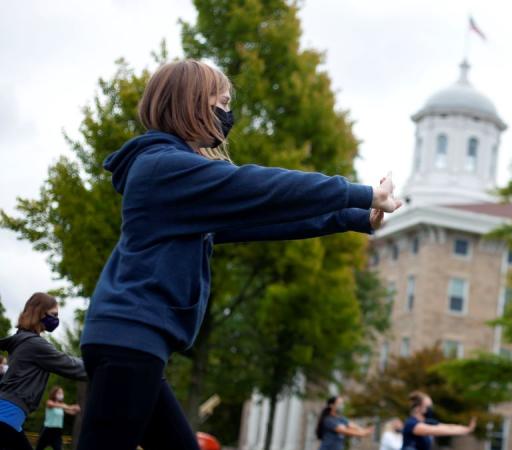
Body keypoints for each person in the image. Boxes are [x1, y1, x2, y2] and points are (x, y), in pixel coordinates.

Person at [76, 59, 401, 450]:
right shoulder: (166, 167)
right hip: (130, 341)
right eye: (223, 103)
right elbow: (262, 187)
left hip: (132, 342)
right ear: (192, 103)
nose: (228, 115)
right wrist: (360, 191)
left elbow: (263, 219)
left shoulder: (175, 180)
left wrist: (355, 218)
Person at [0, 293, 87, 450]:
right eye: (54, 315)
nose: (56, 320)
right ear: (40, 312)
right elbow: (72, 365)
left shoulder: (22, 339)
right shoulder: (35, 344)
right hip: (6, 418)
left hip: (9, 417)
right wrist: (102, 366)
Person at [401, 391, 475, 450]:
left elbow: (449, 427)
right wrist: (465, 430)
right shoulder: (411, 424)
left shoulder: (427, 422)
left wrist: (466, 429)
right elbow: (437, 430)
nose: (430, 409)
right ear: (418, 408)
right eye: (428, 407)